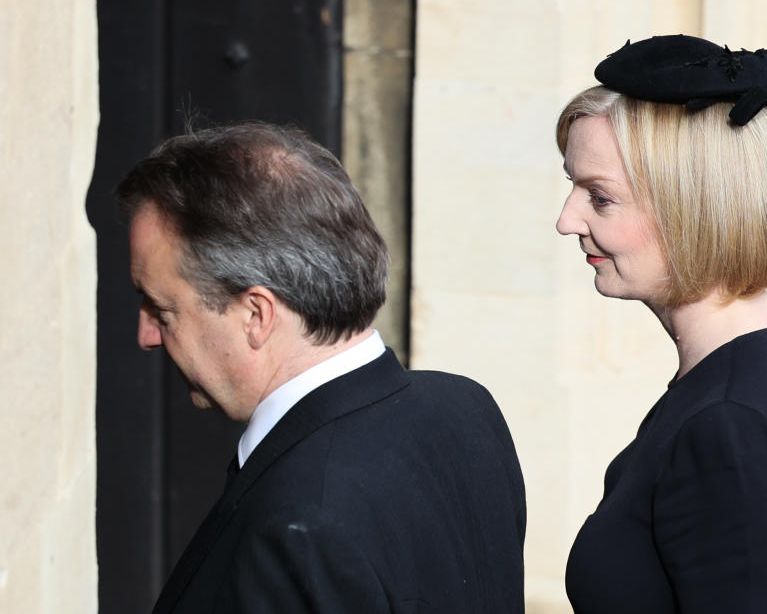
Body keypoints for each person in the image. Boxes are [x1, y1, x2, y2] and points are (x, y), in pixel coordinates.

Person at [118, 122, 526, 613]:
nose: (146, 335)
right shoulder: (464, 406)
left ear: (256, 315)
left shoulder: (300, 523)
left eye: (162, 309)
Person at [555, 35, 767, 613]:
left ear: (691, 206)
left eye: (600, 197)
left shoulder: (732, 431)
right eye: (572, 186)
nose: (567, 220)